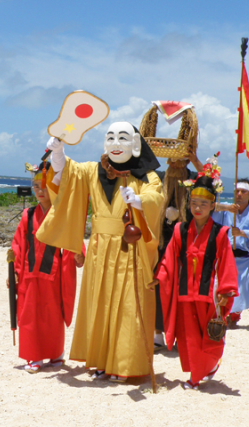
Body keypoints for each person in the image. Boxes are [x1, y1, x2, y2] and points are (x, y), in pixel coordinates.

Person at [36, 122, 164, 382]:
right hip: (99, 248)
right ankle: (102, 362)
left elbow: (156, 197)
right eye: (111, 137)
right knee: (101, 301)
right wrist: (58, 153)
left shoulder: (145, 176)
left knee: (128, 304)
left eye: (123, 138)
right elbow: (69, 175)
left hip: (130, 246)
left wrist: (140, 201)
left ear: (136, 144)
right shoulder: (94, 171)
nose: (116, 143)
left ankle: (124, 363)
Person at [156, 174, 238, 390]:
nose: (198, 208)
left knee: (211, 334)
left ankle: (207, 366)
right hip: (185, 292)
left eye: (203, 204)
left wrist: (227, 290)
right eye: (194, 203)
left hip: (209, 294)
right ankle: (195, 374)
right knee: (189, 337)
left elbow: (227, 263)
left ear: (213, 206)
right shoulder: (180, 230)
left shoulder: (220, 234)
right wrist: (159, 277)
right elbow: (170, 259)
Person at [10, 162, 84, 373]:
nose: (40, 191)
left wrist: (79, 252)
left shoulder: (61, 214)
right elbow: (18, 245)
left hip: (54, 272)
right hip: (29, 273)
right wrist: (14, 271)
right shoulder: (28, 215)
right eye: (36, 187)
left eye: (44, 187)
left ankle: (55, 354)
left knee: (53, 314)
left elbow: (73, 237)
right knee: (29, 315)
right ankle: (33, 356)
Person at [153, 151, 203, 350]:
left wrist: (196, 160)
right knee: (159, 283)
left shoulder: (192, 179)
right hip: (162, 239)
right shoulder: (160, 179)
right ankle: (157, 332)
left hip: (187, 240)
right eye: (171, 160)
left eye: (179, 160)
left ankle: (183, 332)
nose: (174, 164)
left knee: (185, 286)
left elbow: (210, 180)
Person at [212, 178, 249, 328]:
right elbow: (212, 214)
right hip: (226, 255)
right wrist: (224, 207)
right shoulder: (228, 211)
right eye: (237, 191)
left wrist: (243, 233)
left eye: (243, 191)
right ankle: (223, 315)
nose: (239, 194)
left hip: (243, 256)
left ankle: (234, 315)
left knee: (241, 287)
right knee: (222, 286)